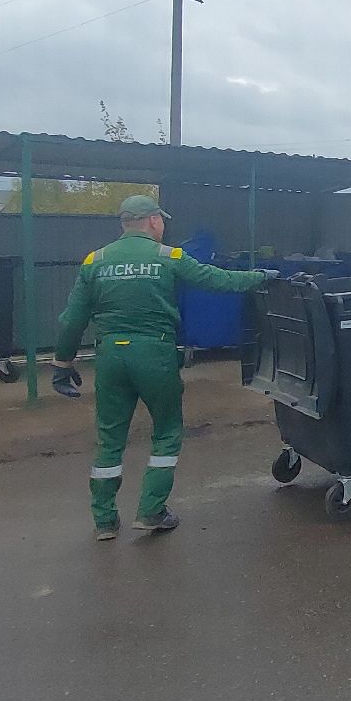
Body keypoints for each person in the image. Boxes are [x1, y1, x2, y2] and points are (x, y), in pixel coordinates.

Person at [52, 195, 274, 540]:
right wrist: (260, 277)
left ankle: (105, 522)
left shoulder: (94, 261)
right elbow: (217, 280)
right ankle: (151, 511)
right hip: (155, 354)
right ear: (153, 221)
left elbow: (71, 320)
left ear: (124, 223)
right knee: (167, 431)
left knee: (110, 439)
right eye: (162, 220)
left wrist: (62, 363)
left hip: (110, 356)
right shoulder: (167, 256)